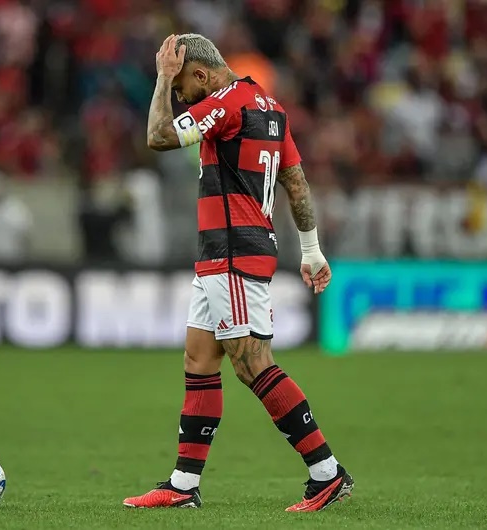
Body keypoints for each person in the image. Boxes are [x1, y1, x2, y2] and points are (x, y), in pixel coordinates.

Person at [122, 34, 353, 513]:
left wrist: (163, 78)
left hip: (234, 252)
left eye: (186, 84)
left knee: (253, 363)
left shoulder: (226, 103)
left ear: (202, 73)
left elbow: (159, 136)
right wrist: (310, 250)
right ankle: (183, 485)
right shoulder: (270, 107)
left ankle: (326, 473)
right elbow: (296, 181)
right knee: (200, 361)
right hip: (219, 254)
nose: (182, 96)